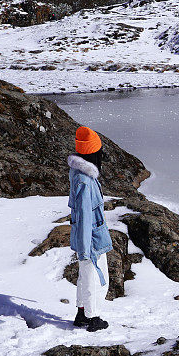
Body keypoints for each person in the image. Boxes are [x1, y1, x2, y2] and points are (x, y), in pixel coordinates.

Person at [67, 126, 112, 332]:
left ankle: (81, 312)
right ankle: (93, 318)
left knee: (85, 274)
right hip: (91, 238)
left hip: (88, 235)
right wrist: (85, 248)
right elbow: (85, 216)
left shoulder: (79, 175)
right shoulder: (85, 181)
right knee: (94, 275)